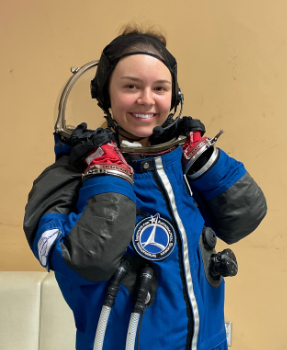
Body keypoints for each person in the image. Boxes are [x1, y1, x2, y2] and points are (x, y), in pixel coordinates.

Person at [24, 25, 267, 350]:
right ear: (105, 93)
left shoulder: (180, 163)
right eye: (130, 86)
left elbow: (244, 218)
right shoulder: (70, 174)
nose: (146, 99)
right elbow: (83, 262)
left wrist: (206, 160)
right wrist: (108, 173)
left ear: (175, 96)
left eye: (160, 88)